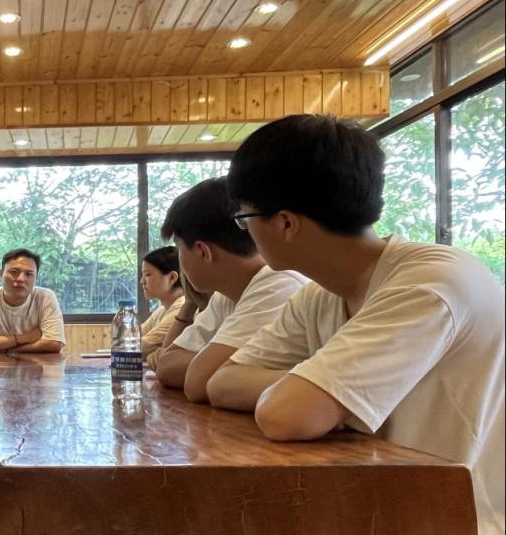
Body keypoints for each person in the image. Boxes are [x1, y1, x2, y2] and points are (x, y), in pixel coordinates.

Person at [205, 115, 505, 534]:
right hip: (368, 505)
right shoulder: (320, 294)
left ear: (285, 223)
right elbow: (222, 383)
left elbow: (286, 416)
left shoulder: (431, 282)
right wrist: (326, 388)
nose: (246, 232)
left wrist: (321, 395)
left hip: (459, 520)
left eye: (244, 218)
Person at [153, 177, 307, 403]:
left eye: (179, 249)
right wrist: (218, 364)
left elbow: (198, 381)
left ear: (203, 251)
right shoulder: (225, 295)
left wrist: (213, 364)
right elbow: (167, 365)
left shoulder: (278, 284)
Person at [0, 249, 65, 353]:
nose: (21, 279)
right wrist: (24, 338)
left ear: (36, 278)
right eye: (14, 272)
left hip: (34, 363)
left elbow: (54, 343)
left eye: (28, 274)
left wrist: (5, 348)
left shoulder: (45, 297)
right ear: (1, 274)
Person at [139, 246, 186, 358]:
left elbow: (140, 346)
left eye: (148, 274)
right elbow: (129, 339)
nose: (142, 281)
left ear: (172, 278)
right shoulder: (162, 310)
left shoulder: (182, 307)